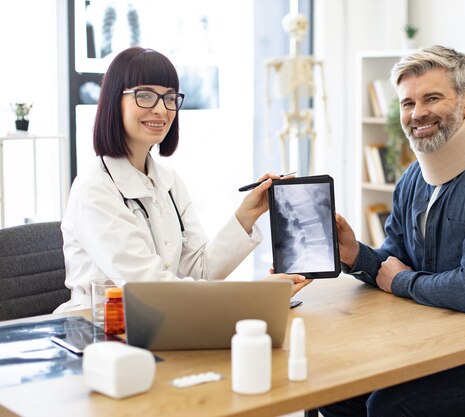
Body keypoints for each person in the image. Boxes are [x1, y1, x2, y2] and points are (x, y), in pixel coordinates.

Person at [322, 45, 465, 416]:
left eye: (432, 98)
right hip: (438, 342)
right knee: (334, 388)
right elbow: (393, 261)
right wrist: (355, 254)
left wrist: (401, 282)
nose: (417, 113)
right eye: (407, 103)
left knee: (391, 405)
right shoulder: (413, 178)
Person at [57, 46, 308, 312]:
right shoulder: (95, 189)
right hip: (96, 328)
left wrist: (247, 215)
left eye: (169, 98)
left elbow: (201, 271)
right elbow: (151, 288)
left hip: (158, 319)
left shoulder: (168, 181)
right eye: (145, 96)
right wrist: (256, 293)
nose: (161, 110)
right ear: (112, 101)